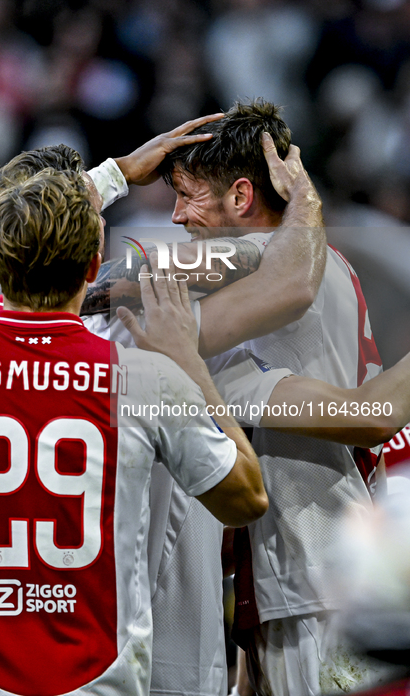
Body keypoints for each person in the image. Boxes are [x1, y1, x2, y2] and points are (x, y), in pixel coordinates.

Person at [0, 167, 268, 695]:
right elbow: (247, 499)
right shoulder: (145, 379)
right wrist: (191, 367)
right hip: (95, 680)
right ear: (94, 264)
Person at [151, 99, 392, 696]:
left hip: (314, 578)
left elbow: (366, 417)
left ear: (240, 195)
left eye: (189, 194)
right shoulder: (318, 260)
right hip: (298, 578)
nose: (177, 217)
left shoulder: (263, 269)